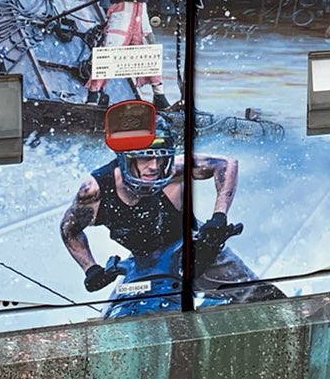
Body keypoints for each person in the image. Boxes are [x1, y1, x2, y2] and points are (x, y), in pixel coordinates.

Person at [59, 119, 269, 310]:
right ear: (125, 159)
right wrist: (90, 268)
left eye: (160, 158)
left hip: (196, 248)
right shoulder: (94, 191)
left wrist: (219, 217)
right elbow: (69, 229)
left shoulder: (174, 170)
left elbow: (226, 163)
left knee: (262, 298)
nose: (154, 167)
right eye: (144, 158)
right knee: (119, 316)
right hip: (142, 264)